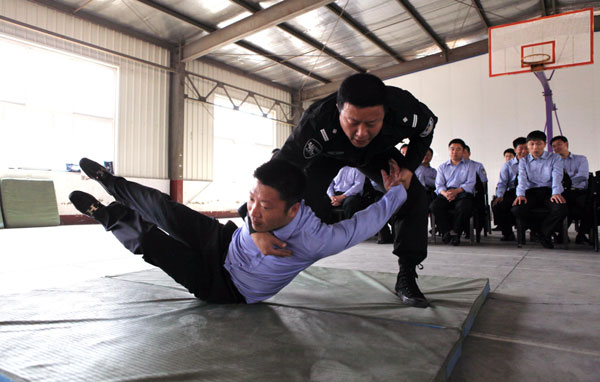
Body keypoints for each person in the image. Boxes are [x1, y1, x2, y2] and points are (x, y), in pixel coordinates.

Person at [69, 158, 409, 304]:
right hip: (225, 241)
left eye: (266, 207)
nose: (255, 210)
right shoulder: (260, 204)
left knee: (152, 243)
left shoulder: (317, 239)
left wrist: (397, 191)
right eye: (252, 198)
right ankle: (110, 181)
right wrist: (254, 229)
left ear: (293, 209)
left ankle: (106, 215)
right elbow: (250, 211)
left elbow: (367, 220)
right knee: (162, 208)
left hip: (228, 288)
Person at [250, 73, 437, 308]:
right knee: (301, 202)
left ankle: (407, 275)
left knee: (413, 195)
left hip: (376, 153)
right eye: (353, 122)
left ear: (385, 113)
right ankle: (269, 263)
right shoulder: (317, 121)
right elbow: (274, 173)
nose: (361, 132)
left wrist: (409, 168)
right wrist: (253, 227)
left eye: (371, 123)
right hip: (327, 155)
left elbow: (426, 129)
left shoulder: (404, 109)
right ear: (339, 111)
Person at [511, 131, 567, 249]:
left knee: (560, 208)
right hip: (531, 192)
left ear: (545, 144)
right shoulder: (523, 161)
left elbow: (557, 176)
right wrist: (520, 195)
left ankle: (542, 233)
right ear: (527, 145)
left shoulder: (555, 158)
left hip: (549, 191)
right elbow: (522, 179)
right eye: (532, 144)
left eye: (539, 144)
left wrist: (556, 192)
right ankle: (542, 233)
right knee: (517, 209)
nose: (535, 147)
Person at [430, 138, 476, 246]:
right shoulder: (442, 167)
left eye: (458, 149)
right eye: (452, 149)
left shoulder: (470, 165)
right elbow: (439, 185)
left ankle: (456, 233)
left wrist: (456, 191)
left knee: (464, 207)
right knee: (434, 206)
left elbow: (470, 183)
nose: (454, 151)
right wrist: (446, 194)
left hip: (463, 193)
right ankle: (446, 232)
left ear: (463, 151)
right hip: (447, 193)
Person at [550, 135, 591, 244]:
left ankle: (581, 234)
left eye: (559, 144)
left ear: (566, 144)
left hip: (581, 191)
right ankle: (561, 234)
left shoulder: (581, 159)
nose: (556, 148)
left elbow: (583, 176)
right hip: (564, 192)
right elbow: (552, 178)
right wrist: (572, 175)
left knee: (590, 204)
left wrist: (565, 179)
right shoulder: (553, 162)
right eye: (554, 146)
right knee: (564, 205)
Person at [492, 138, 528, 241]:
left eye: (526, 148)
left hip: (529, 191)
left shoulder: (533, 162)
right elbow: (502, 182)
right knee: (499, 205)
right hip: (513, 191)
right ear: (515, 150)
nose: (524, 151)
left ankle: (535, 232)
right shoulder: (508, 165)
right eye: (521, 148)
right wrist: (500, 195)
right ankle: (507, 233)